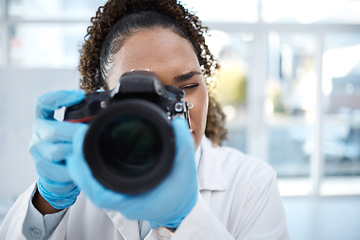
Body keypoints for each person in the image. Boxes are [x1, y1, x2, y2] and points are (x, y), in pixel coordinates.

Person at [0, 0, 290, 239]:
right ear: (106, 104)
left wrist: (185, 219)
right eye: (142, 94)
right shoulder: (74, 182)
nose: (168, 109)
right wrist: (47, 204)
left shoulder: (251, 183)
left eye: (187, 87)